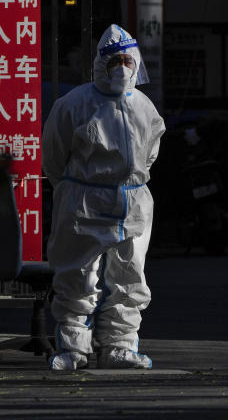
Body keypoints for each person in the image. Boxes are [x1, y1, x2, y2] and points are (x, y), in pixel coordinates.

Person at [42, 24, 165, 371]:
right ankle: (72, 350)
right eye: (114, 60)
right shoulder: (76, 104)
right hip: (84, 202)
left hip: (132, 203)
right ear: (101, 63)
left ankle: (120, 347)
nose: (122, 67)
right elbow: (53, 154)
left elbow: (150, 152)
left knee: (129, 279)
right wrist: (70, 188)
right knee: (77, 277)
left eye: (127, 60)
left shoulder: (144, 106)